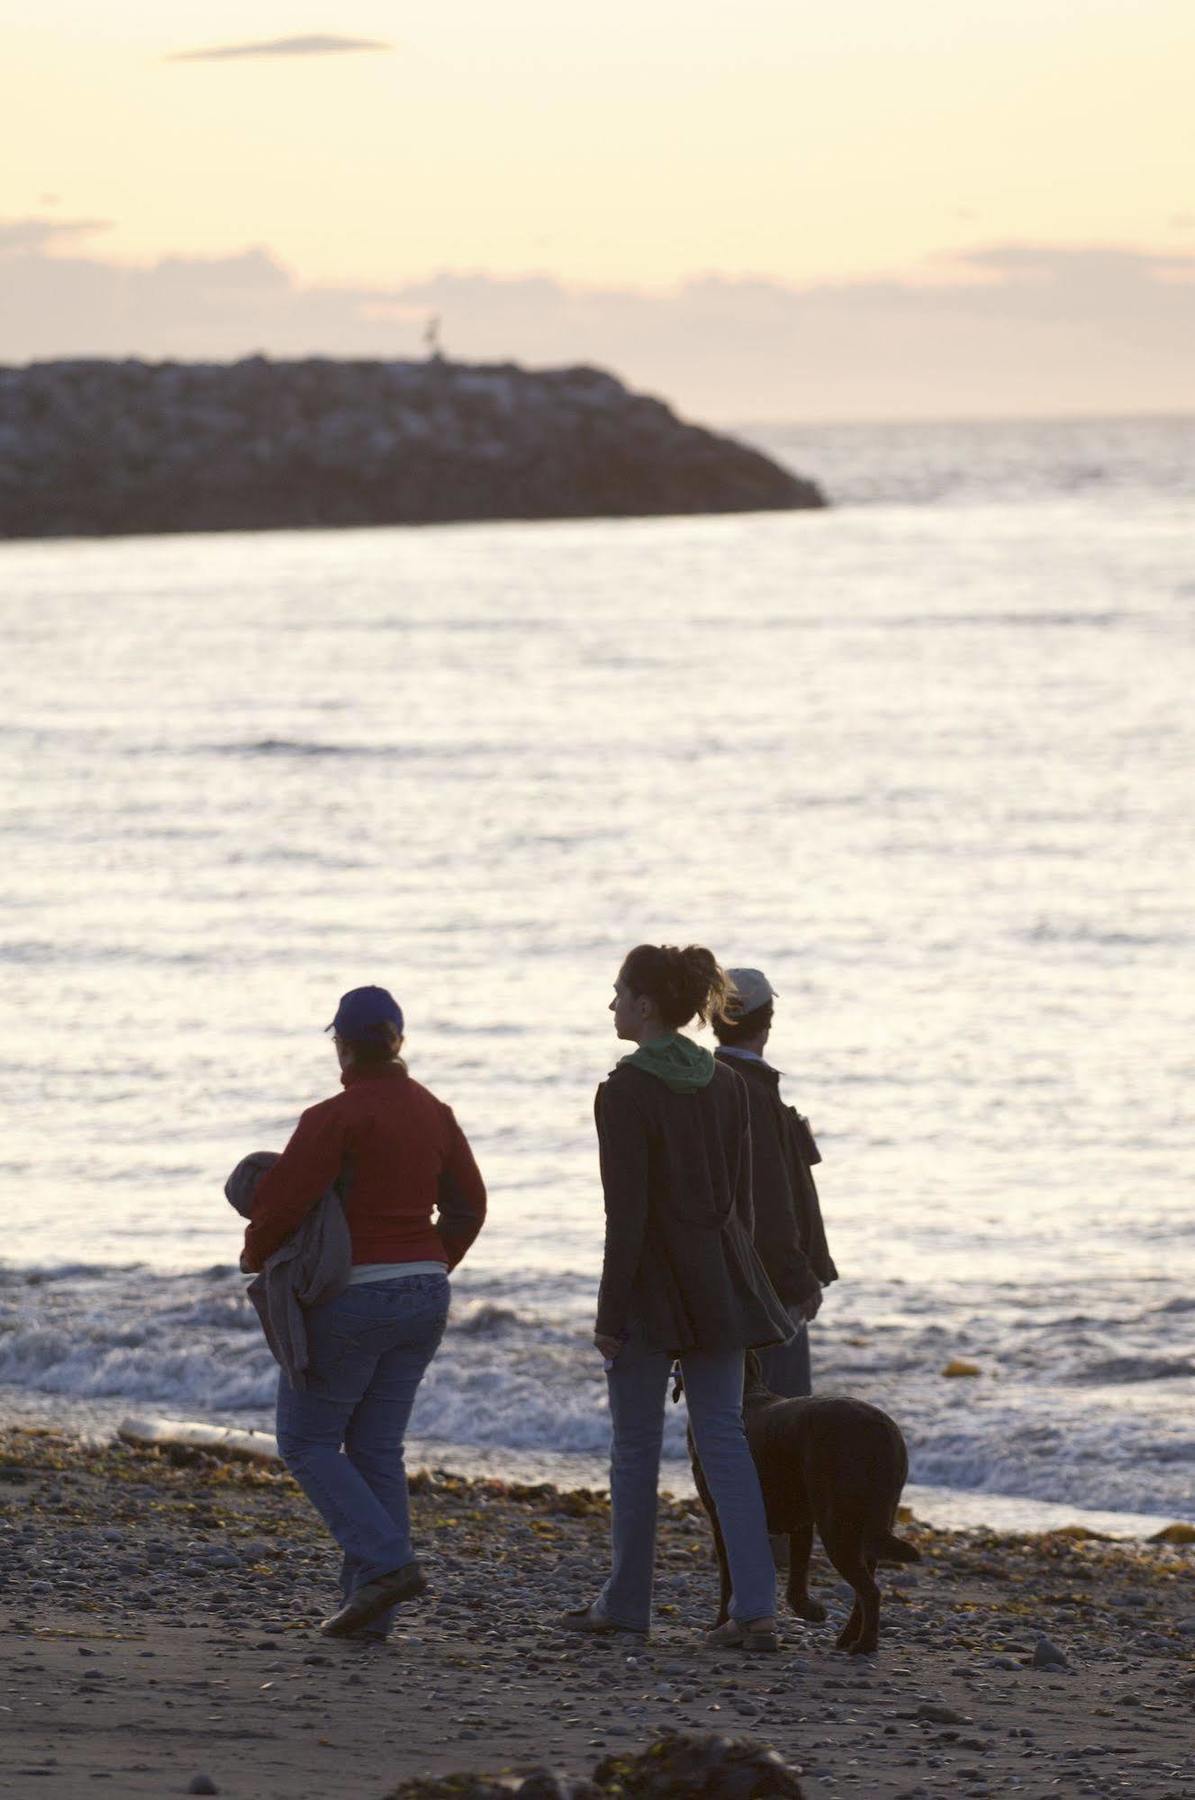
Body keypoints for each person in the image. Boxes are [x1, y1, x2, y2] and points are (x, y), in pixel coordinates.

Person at [564, 943, 794, 1650]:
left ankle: (626, 1603)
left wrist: (609, 1317)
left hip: (651, 1290)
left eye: (617, 993)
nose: (610, 1005)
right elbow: (739, 1206)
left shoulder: (624, 1090)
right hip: (721, 1283)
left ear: (644, 1005)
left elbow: (625, 1215)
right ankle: (755, 1606)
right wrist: (747, 1287)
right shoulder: (726, 1082)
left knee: (634, 1449)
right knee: (723, 1439)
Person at [240, 985, 486, 1639]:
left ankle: (387, 1562)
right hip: (426, 1294)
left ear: (343, 1046)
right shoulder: (434, 1112)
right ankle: (370, 1614)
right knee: (376, 1447)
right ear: (397, 1041)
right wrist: (432, 1264)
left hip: (357, 1296)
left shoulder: (334, 1117)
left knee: (306, 1441)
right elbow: (470, 1205)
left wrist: (253, 1254)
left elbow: (282, 1204)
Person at [712, 968, 838, 1399]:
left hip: (729, 1285)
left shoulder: (713, 1081)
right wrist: (798, 1279)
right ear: (767, 1022)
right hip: (768, 1291)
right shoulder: (753, 1092)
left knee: (734, 1414)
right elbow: (769, 1199)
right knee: (782, 1413)